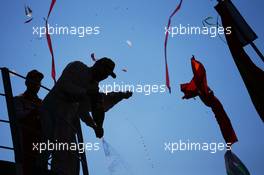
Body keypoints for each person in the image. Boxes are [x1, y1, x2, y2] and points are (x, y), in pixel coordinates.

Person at [40, 58, 132, 175]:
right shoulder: (78, 67)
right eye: (104, 72)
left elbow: (84, 110)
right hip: (52, 110)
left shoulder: (93, 87)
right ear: (97, 65)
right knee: (48, 145)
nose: (104, 76)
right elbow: (64, 85)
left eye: (107, 75)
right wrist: (85, 93)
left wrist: (95, 126)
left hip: (67, 120)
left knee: (70, 155)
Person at [13, 70, 44, 175]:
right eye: (34, 81)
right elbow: (18, 116)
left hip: (41, 143)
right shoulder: (19, 99)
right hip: (26, 141)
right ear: (27, 82)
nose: (37, 84)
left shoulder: (43, 103)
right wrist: (35, 111)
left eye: (39, 82)